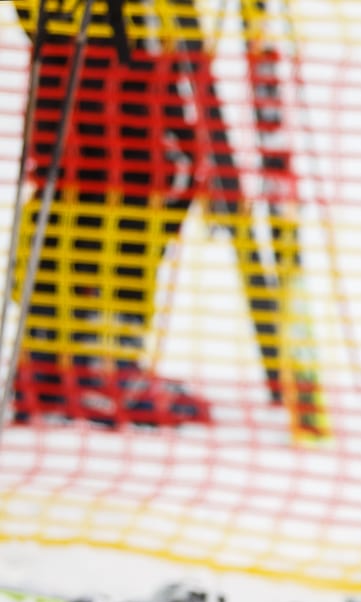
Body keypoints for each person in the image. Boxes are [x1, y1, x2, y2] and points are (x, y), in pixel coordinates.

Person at [7, 0, 218, 428]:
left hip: (115, 29)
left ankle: (58, 358)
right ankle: (91, 361)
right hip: (103, 28)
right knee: (122, 172)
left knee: (102, 169)